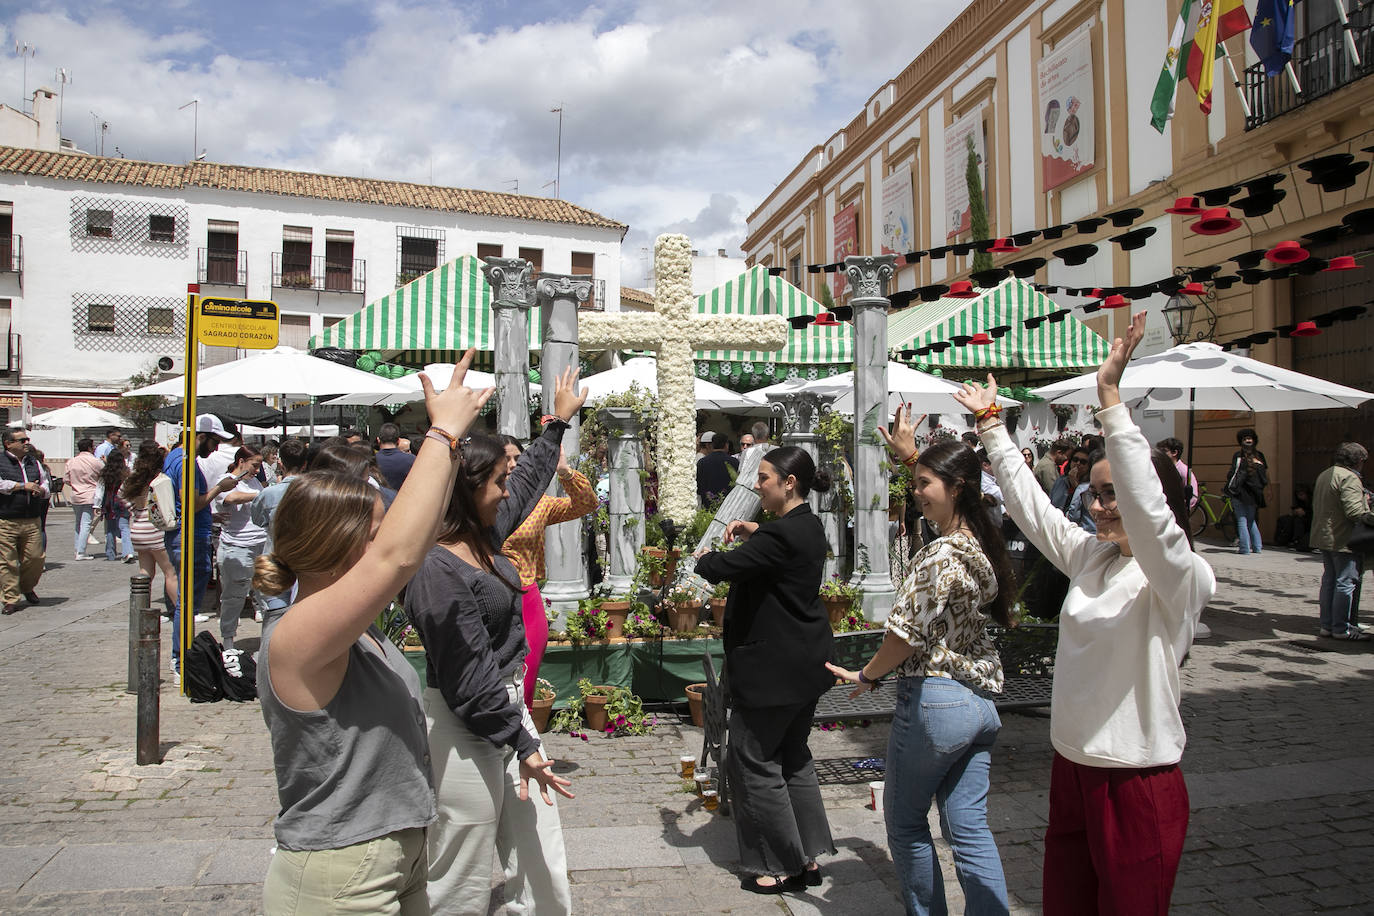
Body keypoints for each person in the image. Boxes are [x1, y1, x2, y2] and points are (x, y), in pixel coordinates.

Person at [958, 311, 1214, 915]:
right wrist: (993, 428)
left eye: (1113, 493)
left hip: (1136, 777)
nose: (1100, 506)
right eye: (1095, 493)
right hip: (1073, 766)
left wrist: (1110, 402)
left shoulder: (1180, 578)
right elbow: (1035, 513)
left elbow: (1153, 522)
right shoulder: (1095, 559)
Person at [252, 353, 491, 914]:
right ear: (332, 544)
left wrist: (453, 448)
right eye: (373, 534)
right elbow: (399, 556)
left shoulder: (355, 630)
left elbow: (419, 533)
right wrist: (439, 433)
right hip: (339, 868)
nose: (389, 544)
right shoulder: (295, 634)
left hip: (393, 853)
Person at [407, 367, 584, 916]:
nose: (509, 489)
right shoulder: (435, 568)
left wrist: (555, 422)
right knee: (460, 859)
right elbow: (467, 676)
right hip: (464, 721)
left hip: (503, 710)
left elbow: (530, 477)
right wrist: (523, 742)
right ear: (468, 489)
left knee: (539, 840)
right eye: (497, 481)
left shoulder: (482, 534)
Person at [827, 417, 1014, 914]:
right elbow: (951, 495)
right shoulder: (980, 542)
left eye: (923, 485)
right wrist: (914, 459)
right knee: (969, 828)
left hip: (936, 700)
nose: (915, 494)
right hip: (978, 702)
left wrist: (867, 675)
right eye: (914, 484)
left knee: (907, 822)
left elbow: (903, 636)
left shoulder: (937, 557)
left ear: (957, 488)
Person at [695, 445, 837, 894]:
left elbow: (724, 566)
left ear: (788, 482)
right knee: (793, 757)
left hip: (771, 669)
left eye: (763, 478)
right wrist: (757, 528)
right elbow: (781, 546)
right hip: (804, 666)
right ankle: (807, 856)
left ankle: (777, 864)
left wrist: (702, 558)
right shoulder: (809, 525)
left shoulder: (779, 539)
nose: (757, 486)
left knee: (754, 760)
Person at [496, 435, 597, 708]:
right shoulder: (481, 501)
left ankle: (524, 744)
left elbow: (586, 504)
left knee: (526, 680)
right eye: (506, 459)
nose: (513, 465)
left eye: (519, 458)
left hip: (527, 595)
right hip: (490, 599)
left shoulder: (539, 503)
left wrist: (564, 472)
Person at [164, 419, 246, 679]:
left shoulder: (175, 457)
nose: (215, 448)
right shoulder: (185, 462)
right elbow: (191, 503)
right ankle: (181, 661)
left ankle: (181, 658)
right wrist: (220, 488)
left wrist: (209, 517)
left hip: (188, 532)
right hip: (189, 538)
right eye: (214, 441)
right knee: (188, 605)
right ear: (201, 437)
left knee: (186, 603)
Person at [1310, 442, 1374, 640]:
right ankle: (1341, 628)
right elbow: (1355, 512)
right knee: (1345, 583)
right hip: (1342, 537)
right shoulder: (1349, 477)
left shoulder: (1327, 473)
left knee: (1330, 580)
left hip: (1325, 535)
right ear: (1358, 461)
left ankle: (1327, 626)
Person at [213, 446, 268, 648]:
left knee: (266, 595)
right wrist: (260, 495)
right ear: (241, 461)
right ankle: (228, 641)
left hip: (260, 544)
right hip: (237, 547)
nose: (257, 469)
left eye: (259, 465)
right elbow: (230, 497)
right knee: (234, 596)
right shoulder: (227, 481)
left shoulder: (254, 482)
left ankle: (268, 641)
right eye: (255, 465)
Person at [123, 441, 178, 615]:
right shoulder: (159, 480)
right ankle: (180, 611)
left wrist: (134, 509)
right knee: (170, 573)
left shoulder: (134, 479)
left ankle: (141, 609)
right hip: (155, 529)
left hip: (138, 527)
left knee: (145, 572)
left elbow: (123, 498)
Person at [0, 428, 47, 614]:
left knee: (35, 558)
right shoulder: (1, 461)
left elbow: (45, 484)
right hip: (6, 519)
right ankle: (10, 598)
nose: (26, 443)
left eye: (27, 439)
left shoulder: (33, 462)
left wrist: (41, 490)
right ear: (8, 444)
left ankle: (27, 587)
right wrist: (22, 486)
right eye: (22, 440)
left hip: (32, 519)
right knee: (7, 561)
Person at [251, 437, 309, 554]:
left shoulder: (268, 494)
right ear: (305, 465)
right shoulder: (319, 492)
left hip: (276, 557)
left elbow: (257, 520)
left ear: (280, 463)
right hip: (306, 559)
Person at [1225, 428, 1268, 555]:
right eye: (1245, 439)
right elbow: (1265, 475)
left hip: (1240, 493)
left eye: (1249, 438)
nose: (1248, 440)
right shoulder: (1260, 456)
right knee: (1251, 520)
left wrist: (1229, 488)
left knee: (1242, 520)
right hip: (1254, 494)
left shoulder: (1238, 456)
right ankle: (1257, 547)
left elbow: (1233, 475)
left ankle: (1244, 549)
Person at [64, 438, 103, 561]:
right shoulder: (95, 461)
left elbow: (66, 479)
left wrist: (76, 484)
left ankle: (78, 549)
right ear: (90, 448)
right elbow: (104, 475)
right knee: (86, 524)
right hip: (90, 495)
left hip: (76, 495)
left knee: (78, 523)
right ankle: (81, 551)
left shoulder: (71, 461)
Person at [95, 451, 136, 563]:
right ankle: (128, 552)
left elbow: (100, 490)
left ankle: (110, 553)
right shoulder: (126, 472)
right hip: (122, 501)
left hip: (109, 502)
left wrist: (97, 505)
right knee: (124, 527)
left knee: (110, 529)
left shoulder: (105, 473)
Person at [696, 432, 738, 507]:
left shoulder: (702, 462)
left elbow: (699, 486)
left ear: (712, 445)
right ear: (726, 445)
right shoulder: (734, 462)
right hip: (728, 505)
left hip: (707, 505)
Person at [376, 422, 416, 491]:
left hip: (378, 500)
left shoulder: (370, 460)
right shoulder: (412, 460)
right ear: (398, 441)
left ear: (378, 440)